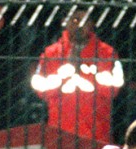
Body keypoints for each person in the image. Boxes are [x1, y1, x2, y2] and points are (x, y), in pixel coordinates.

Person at [31, 8, 123, 142]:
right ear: (65, 22)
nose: (80, 25)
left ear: (91, 24)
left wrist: (85, 72)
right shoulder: (51, 53)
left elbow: (114, 89)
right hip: (60, 133)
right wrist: (67, 72)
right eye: (75, 20)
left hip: (97, 134)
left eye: (84, 21)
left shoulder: (107, 53)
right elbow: (41, 90)